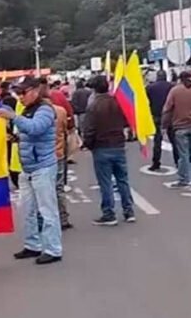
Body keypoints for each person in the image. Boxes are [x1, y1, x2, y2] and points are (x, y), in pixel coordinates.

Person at [0, 76, 62, 265]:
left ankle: (53, 248)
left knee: (47, 210)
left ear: (35, 91)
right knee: (27, 210)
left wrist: (13, 117)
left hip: (43, 167)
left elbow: (35, 129)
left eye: (22, 93)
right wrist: (14, 138)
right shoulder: (27, 110)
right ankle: (32, 244)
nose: (19, 97)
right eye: (17, 93)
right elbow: (28, 134)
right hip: (28, 167)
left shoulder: (44, 110)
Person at [83, 74, 135, 225]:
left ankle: (109, 214)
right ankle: (129, 211)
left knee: (105, 183)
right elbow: (127, 120)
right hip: (118, 145)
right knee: (122, 180)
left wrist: (88, 144)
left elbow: (89, 129)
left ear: (94, 90)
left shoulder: (93, 107)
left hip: (101, 147)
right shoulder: (118, 102)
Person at [146, 70, 175, 171]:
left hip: (157, 115)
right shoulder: (172, 87)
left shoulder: (150, 88)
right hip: (170, 115)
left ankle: (156, 162)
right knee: (174, 140)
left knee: (157, 141)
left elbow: (146, 100)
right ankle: (177, 160)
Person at [51, 101, 72, 230]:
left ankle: (46, 218)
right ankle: (63, 218)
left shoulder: (32, 114)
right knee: (59, 188)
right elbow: (65, 131)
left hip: (42, 158)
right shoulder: (60, 111)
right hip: (58, 153)